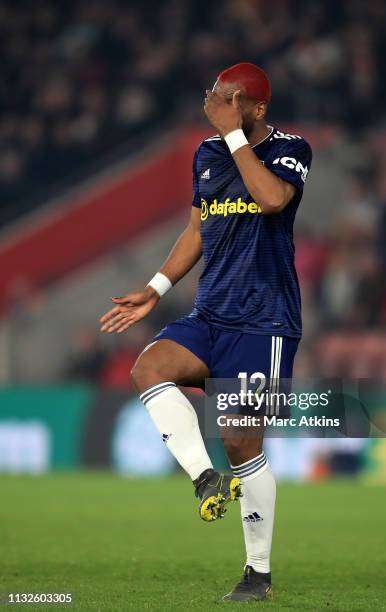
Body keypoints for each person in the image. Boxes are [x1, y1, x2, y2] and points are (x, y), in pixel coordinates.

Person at [100, 62, 312, 602]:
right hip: (210, 314)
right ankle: (203, 479)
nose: (215, 103)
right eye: (214, 93)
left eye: (229, 98)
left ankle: (257, 574)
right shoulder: (207, 154)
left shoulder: (290, 150)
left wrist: (234, 134)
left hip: (264, 321)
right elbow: (198, 227)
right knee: (149, 367)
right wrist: (156, 286)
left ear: (257, 109)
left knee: (242, 442)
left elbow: (271, 200)